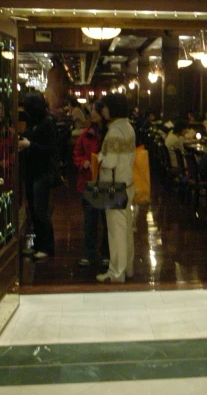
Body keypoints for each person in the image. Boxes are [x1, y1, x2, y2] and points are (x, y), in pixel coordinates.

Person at [96, 93, 136, 283]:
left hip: (114, 187)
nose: (103, 110)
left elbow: (110, 161)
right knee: (126, 229)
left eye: (105, 107)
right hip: (127, 184)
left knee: (116, 231)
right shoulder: (128, 127)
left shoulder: (113, 132)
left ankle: (116, 272)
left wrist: (99, 157)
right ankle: (127, 268)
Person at [19, 91, 58, 259]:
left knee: (40, 210)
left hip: (42, 172)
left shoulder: (47, 124)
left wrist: (29, 144)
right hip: (33, 171)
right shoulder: (37, 122)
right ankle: (38, 244)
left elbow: (51, 150)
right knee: (34, 211)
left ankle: (47, 247)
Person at [72, 100, 109, 267]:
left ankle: (106, 253)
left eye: (95, 109)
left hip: (107, 181)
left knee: (108, 221)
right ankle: (89, 253)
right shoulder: (86, 134)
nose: (91, 112)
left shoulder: (110, 133)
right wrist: (82, 162)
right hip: (89, 180)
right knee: (89, 221)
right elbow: (77, 153)